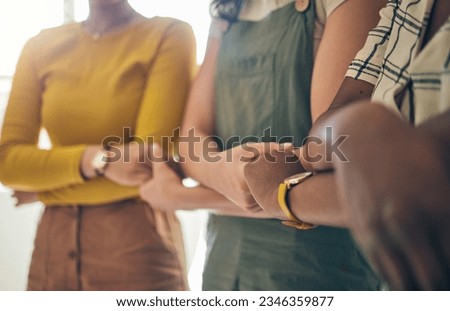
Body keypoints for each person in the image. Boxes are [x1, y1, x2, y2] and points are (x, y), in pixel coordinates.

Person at [139, 0, 387, 290]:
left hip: (314, 268)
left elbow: (329, 169)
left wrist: (184, 196)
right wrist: (223, 169)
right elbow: (192, 141)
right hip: (224, 262)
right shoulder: (226, 14)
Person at [244, 0, 450, 290]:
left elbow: (407, 185)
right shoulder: (404, 5)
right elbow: (318, 144)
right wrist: (358, 127)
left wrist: (282, 194)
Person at [0, 0, 196, 290]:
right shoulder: (39, 46)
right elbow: (7, 162)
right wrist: (95, 160)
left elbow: (151, 165)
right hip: (51, 252)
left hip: (136, 247)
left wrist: (43, 187)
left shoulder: (168, 35)